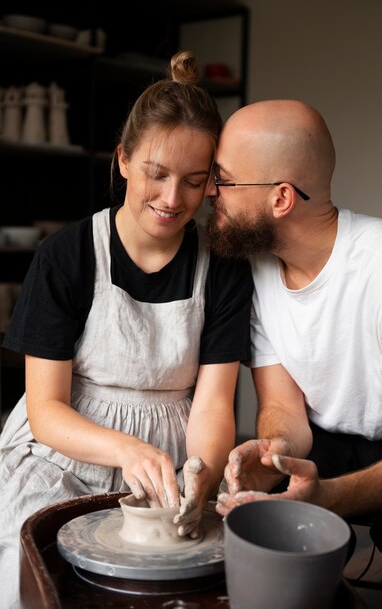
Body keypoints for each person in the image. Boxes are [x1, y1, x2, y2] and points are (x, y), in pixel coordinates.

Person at [0, 51, 253, 609]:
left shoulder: (224, 268)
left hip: (172, 454)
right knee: (30, 570)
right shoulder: (67, 255)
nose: (171, 200)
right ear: (123, 159)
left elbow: (213, 404)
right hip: (64, 447)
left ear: (212, 181)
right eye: (155, 175)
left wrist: (201, 476)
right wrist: (124, 450)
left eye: (193, 182)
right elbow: (46, 410)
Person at [207, 99, 382, 608]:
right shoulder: (257, 269)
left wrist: (328, 497)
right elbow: (284, 410)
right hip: (326, 439)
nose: (211, 191)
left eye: (225, 180)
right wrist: (271, 455)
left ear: (281, 198)